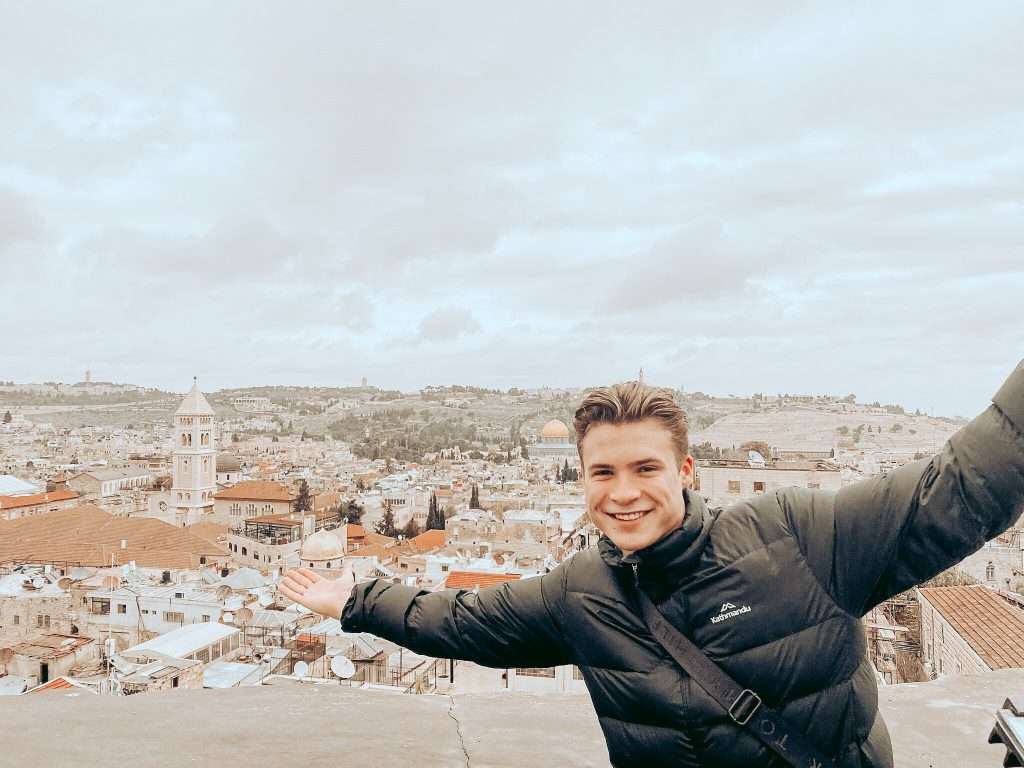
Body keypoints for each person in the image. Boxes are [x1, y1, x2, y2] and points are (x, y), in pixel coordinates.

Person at [280, 361, 1024, 767]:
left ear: (687, 470)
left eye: (645, 469)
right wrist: (357, 600)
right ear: (580, 480)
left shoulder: (800, 532)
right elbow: (462, 622)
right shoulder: (580, 593)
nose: (625, 494)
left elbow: (960, 485)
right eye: (603, 474)